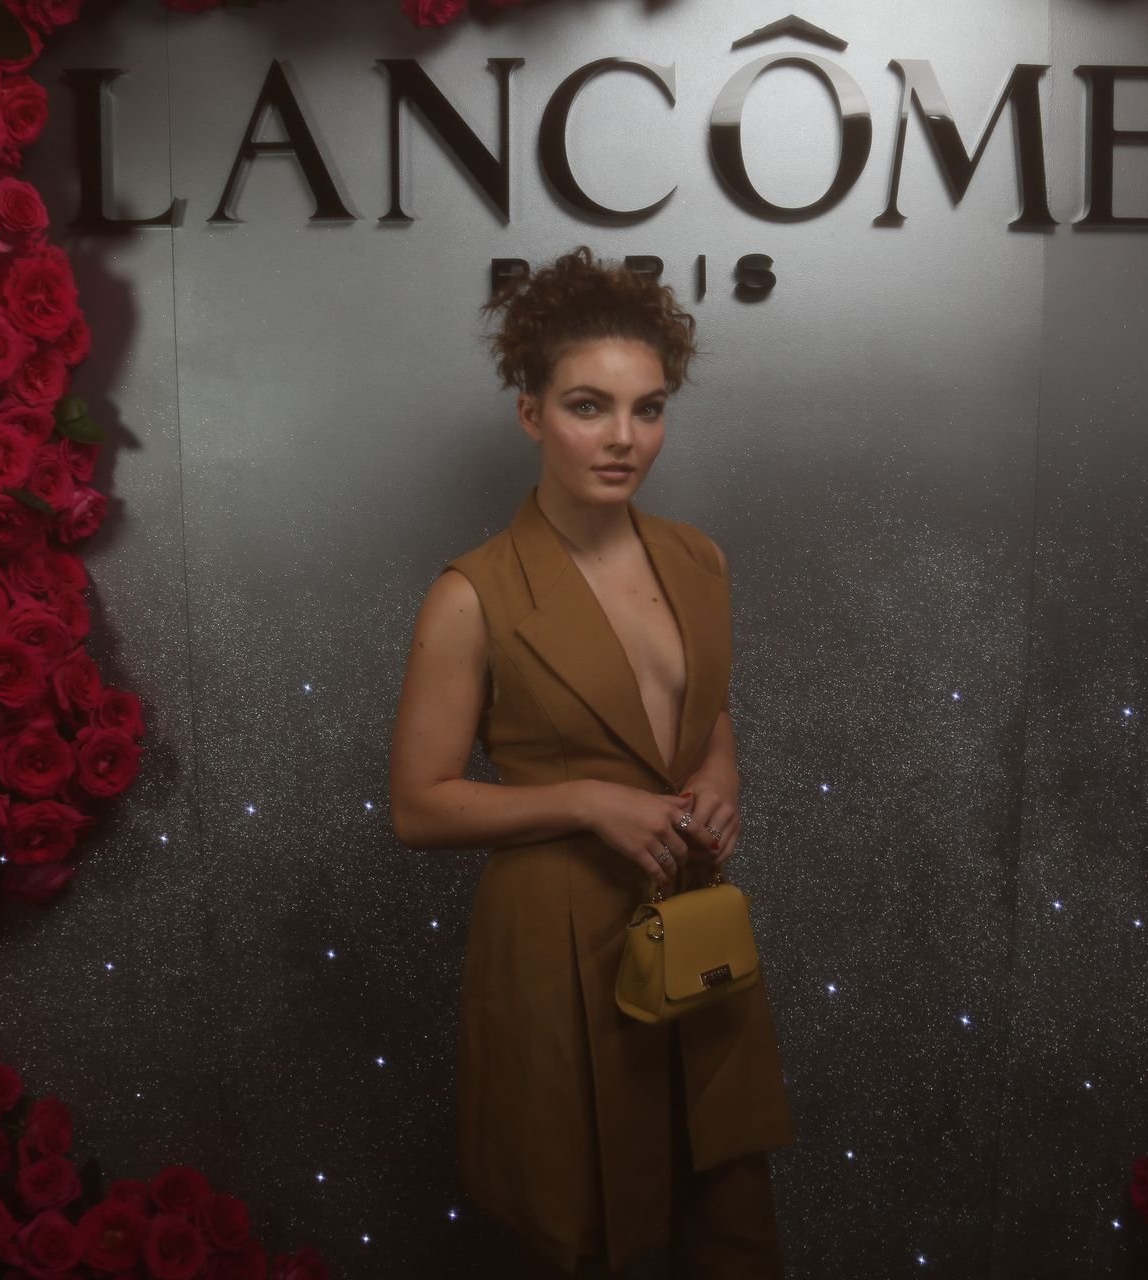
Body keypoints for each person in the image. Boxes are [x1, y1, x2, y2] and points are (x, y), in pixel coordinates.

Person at [388, 246, 795, 1278]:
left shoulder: (698, 558)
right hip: (556, 949)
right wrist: (584, 802)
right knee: (584, 1240)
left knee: (732, 1226)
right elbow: (418, 806)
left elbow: (701, 712)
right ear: (531, 414)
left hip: (694, 928)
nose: (623, 438)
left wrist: (721, 773)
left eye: (648, 409)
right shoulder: (472, 594)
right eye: (588, 406)